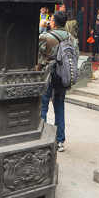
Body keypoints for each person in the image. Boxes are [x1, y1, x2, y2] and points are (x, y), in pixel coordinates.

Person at [37, 10, 78, 153]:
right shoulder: (71, 38)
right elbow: (76, 56)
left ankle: (42, 138)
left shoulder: (45, 36)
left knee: (43, 106)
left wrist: (41, 27)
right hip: (62, 76)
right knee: (59, 107)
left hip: (47, 75)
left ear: (52, 23)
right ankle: (60, 141)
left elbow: (36, 49)